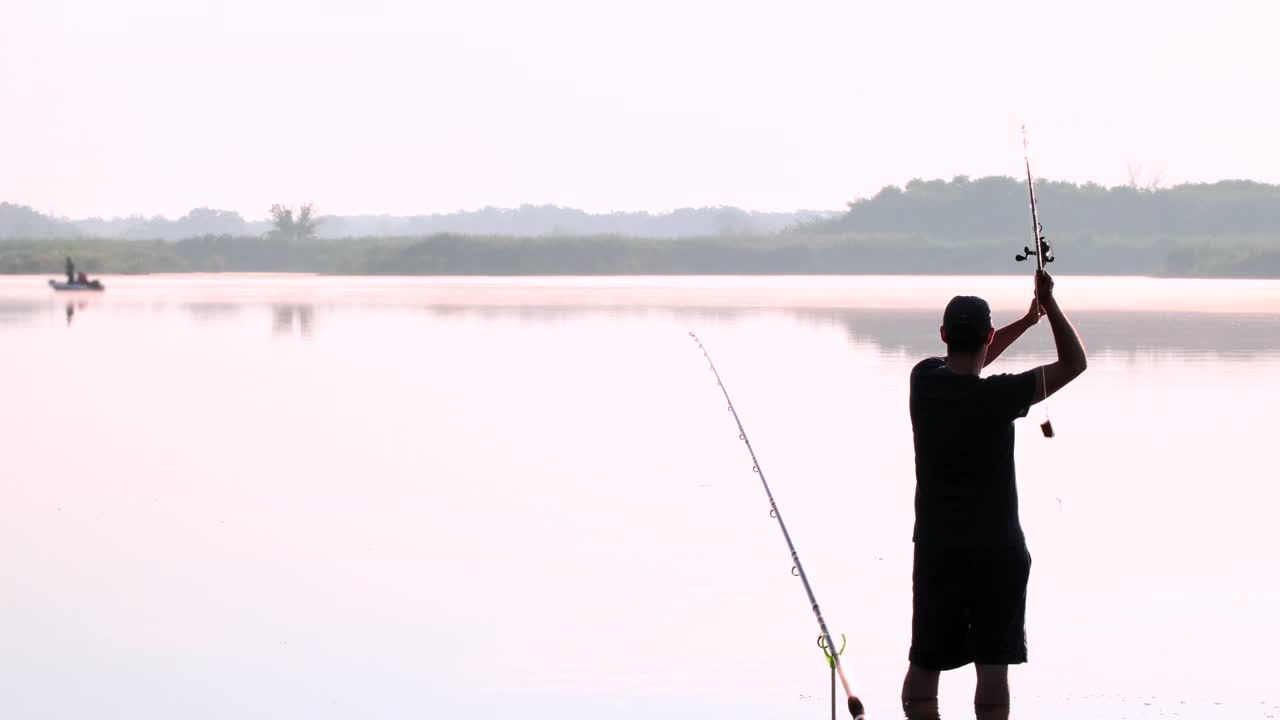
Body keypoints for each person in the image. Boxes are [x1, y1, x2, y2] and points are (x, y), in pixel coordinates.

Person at [902, 270, 1086, 719]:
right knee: (992, 674)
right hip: (996, 551)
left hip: (937, 550)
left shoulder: (924, 381)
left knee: (925, 664)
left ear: (943, 335)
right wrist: (1049, 307)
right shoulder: (1000, 396)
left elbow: (972, 363)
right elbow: (1074, 363)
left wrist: (1026, 322)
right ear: (986, 335)